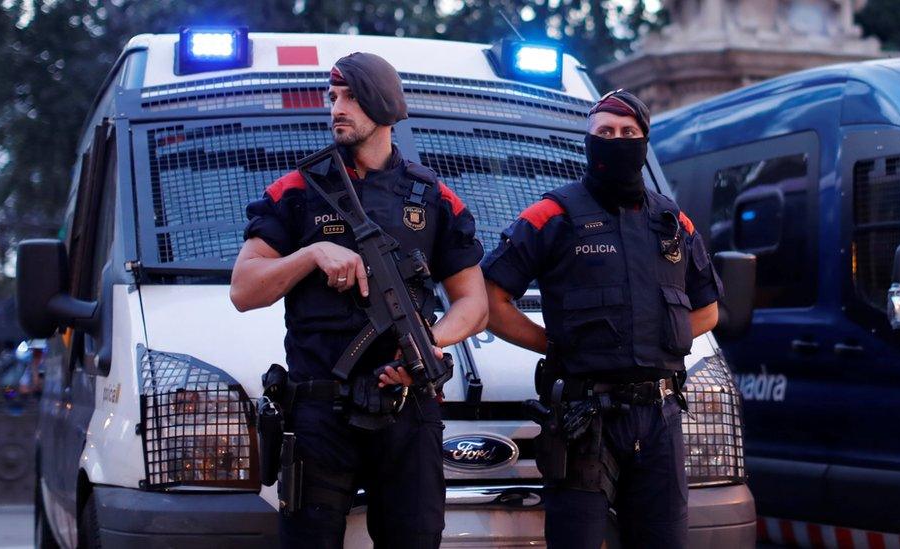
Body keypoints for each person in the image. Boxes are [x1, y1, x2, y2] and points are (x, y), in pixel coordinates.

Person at [230, 52, 487, 549]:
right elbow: (243, 289)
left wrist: (427, 345)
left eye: (350, 97)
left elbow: (473, 304)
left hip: (408, 408)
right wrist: (311, 254)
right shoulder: (299, 190)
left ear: (385, 105)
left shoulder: (433, 197)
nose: (336, 109)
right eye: (333, 97)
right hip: (320, 411)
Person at [481, 90, 722, 549]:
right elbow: (491, 301)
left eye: (628, 132)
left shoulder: (674, 222)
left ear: (644, 141)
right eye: (605, 132)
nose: (617, 140)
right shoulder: (552, 214)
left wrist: (657, 340)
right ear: (588, 143)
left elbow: (707, 310)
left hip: (660, 416)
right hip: (584, 417)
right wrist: (554, 345)